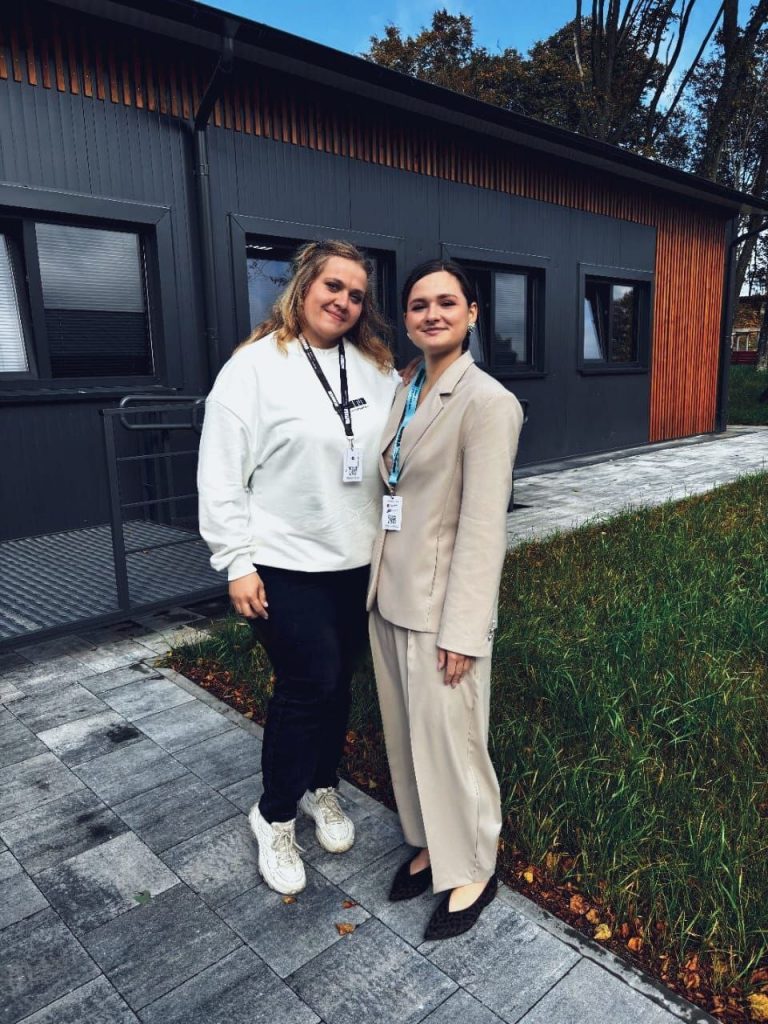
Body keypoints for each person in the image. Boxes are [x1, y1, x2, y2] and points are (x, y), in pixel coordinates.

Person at [197, 239, 400, 895]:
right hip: (282, 561)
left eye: (356, 294)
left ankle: (321, 787)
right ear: (304, 285)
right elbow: (220, 475)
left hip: (357, 561)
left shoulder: (374, 368)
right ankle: (275, 815)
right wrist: (236, 562)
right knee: (307, 683)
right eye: (332, 286)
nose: (343, 301)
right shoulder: (254, 368)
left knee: (337, 684)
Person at [367, 259, 524, 940]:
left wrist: (464, 630)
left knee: (454, 745)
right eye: (418, 304)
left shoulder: (488, 402)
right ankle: (433, 842)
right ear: (406, 319)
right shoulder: (406, 386)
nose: (432, 314)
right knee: (409, 739)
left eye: (446, 302)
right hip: (388, 594)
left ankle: (475, 866)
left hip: (439, 609)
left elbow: (484, 527)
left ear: (472, 313)